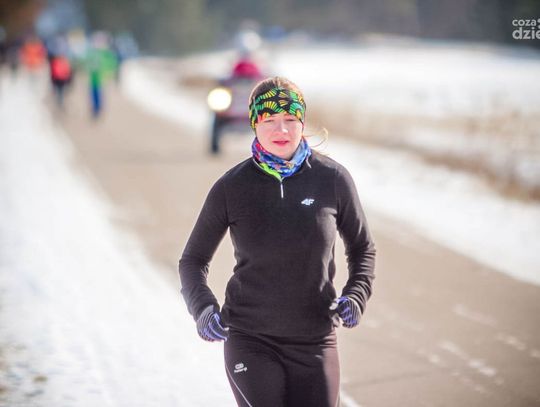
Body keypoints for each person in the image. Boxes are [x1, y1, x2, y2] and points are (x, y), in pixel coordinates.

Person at [179, 76, 376, 407]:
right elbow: (193, 260)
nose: (281, 130)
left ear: (302, 122)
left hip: (315, 339)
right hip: (250, 339)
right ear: (254, 123)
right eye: (269, 120)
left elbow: (362, 248)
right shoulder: (231, 187)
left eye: (290, 119)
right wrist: (203, 309)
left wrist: (356, 295)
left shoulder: (333, 179)